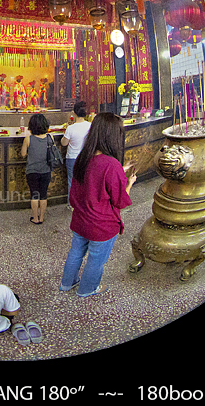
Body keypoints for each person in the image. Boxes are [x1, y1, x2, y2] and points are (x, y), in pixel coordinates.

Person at [60, 113, 136, 297]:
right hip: (101, 225)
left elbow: (93, 177)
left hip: (80, 219)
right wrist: (129, 183)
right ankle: (87, 289)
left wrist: (120, 170)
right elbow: (120, 200)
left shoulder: (82, 158)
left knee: (76, 251)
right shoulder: (112, 165)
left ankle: (66, 284)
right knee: (96, 260)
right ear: (113, 136)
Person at [20, 113, 53, 224]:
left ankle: (35, 218)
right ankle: (42, 217)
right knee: (43, 195)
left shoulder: (28, 139)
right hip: (46, 170)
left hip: (32, 171)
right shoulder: (50, 137)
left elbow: (23, 154)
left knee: (34, 194)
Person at [61, 101, 91, 207]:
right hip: (85, 157)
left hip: (72, 158)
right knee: (84, 180)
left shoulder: (70, 128)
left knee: (72, 181)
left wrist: (65, 132)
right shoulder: (90, 126)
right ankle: (84, 202)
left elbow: (64, 143)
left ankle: (72, 204)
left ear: (74, 113)